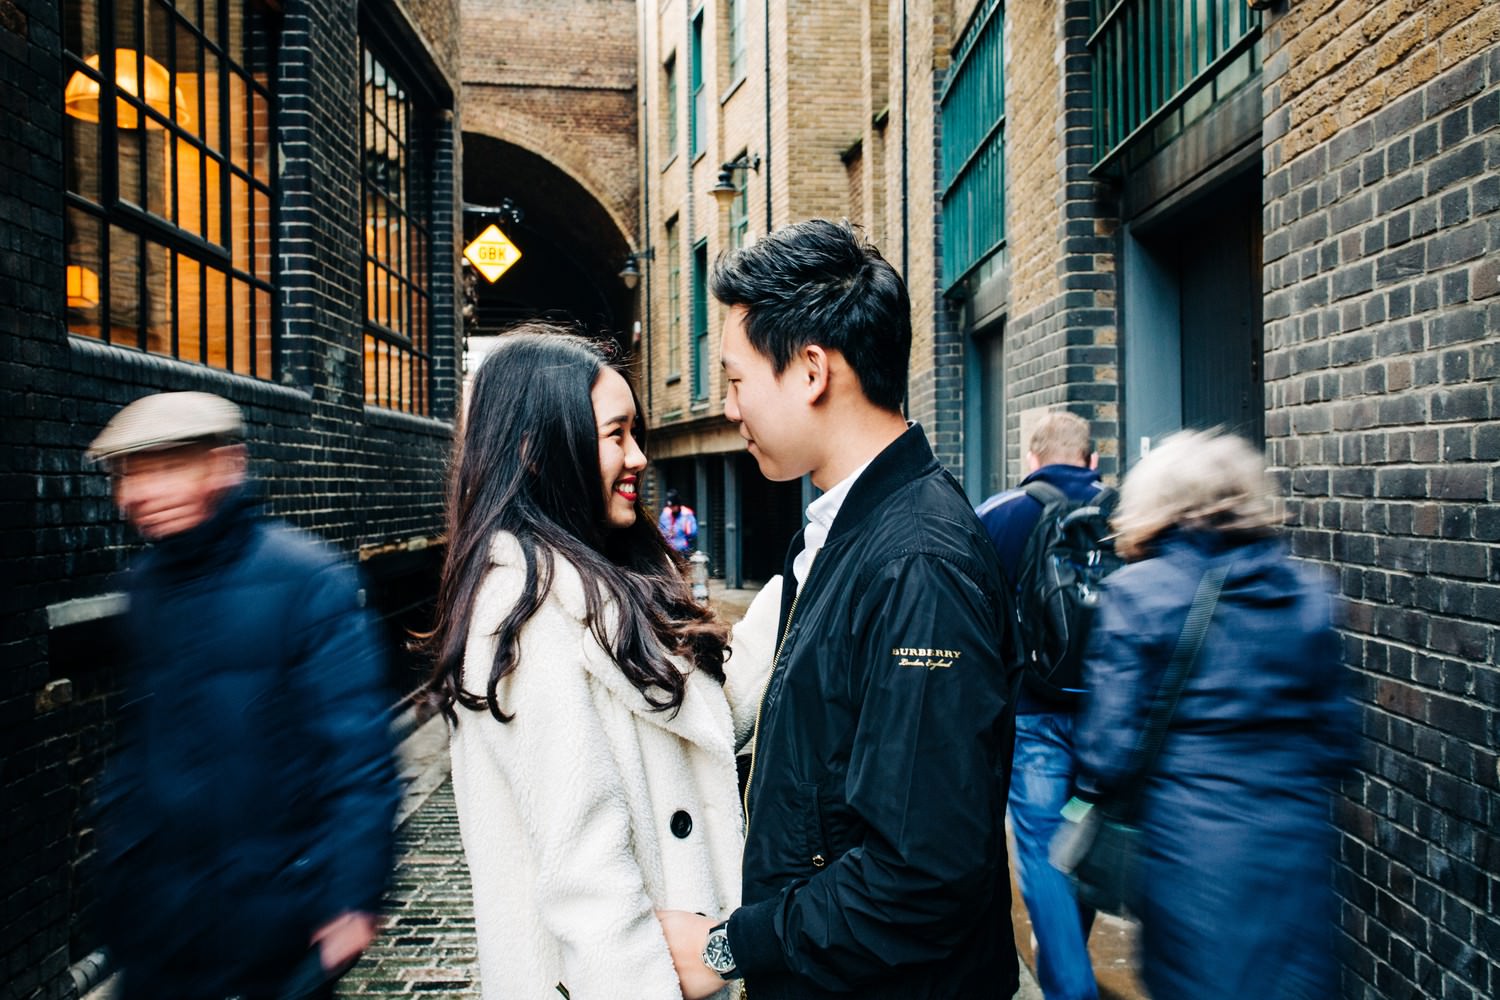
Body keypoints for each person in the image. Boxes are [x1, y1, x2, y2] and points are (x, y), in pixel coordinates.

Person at [657, 219, 1021, 1000]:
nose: (729, 407)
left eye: (737, 378)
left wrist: (729, 947)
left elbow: (921, 876)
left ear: (812, 369)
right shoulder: (840, 532)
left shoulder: (918, 562)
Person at [424, 327, 781, 999]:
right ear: (539, 450)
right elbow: (587, 876)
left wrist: (801, 578)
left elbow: (694, 727)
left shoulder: (589, 581)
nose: (639, 456)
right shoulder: (524, 613)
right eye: (616, 435)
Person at [88, 391, 398, 1000]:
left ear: (226, 465)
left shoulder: (309, 582)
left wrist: (351, 896)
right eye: (128, 474)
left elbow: (359, 758)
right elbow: (139, 753)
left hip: (274, 925)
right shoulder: (145, 586)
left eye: (163, 467)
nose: (136, 494)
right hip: (162, 929)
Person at [1072, 430, 1357, 1000]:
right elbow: (1341, 744)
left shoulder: (1140, 594)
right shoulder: (1307, 592)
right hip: (1294, 848)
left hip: (1192, 853)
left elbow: (1107, 755)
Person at [974, 410, 1104, 1000]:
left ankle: (1069, 987)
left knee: (1044, 852)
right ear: (1092, 459)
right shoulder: (1129, 514)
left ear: (1031, 459)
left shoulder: (1000, 516)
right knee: (1087, 845)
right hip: (1111, 724)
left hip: (1033, 718)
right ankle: (1065, 967)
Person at [658, 488, 699, 553]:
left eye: (674, 506)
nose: (672, 509)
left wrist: (687, 530)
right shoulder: (665, 513)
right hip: (667, 550)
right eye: (670, 507)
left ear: (678, 505)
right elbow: (660, 530)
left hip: (682, 550)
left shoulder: (687, 514)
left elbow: (693, 533)